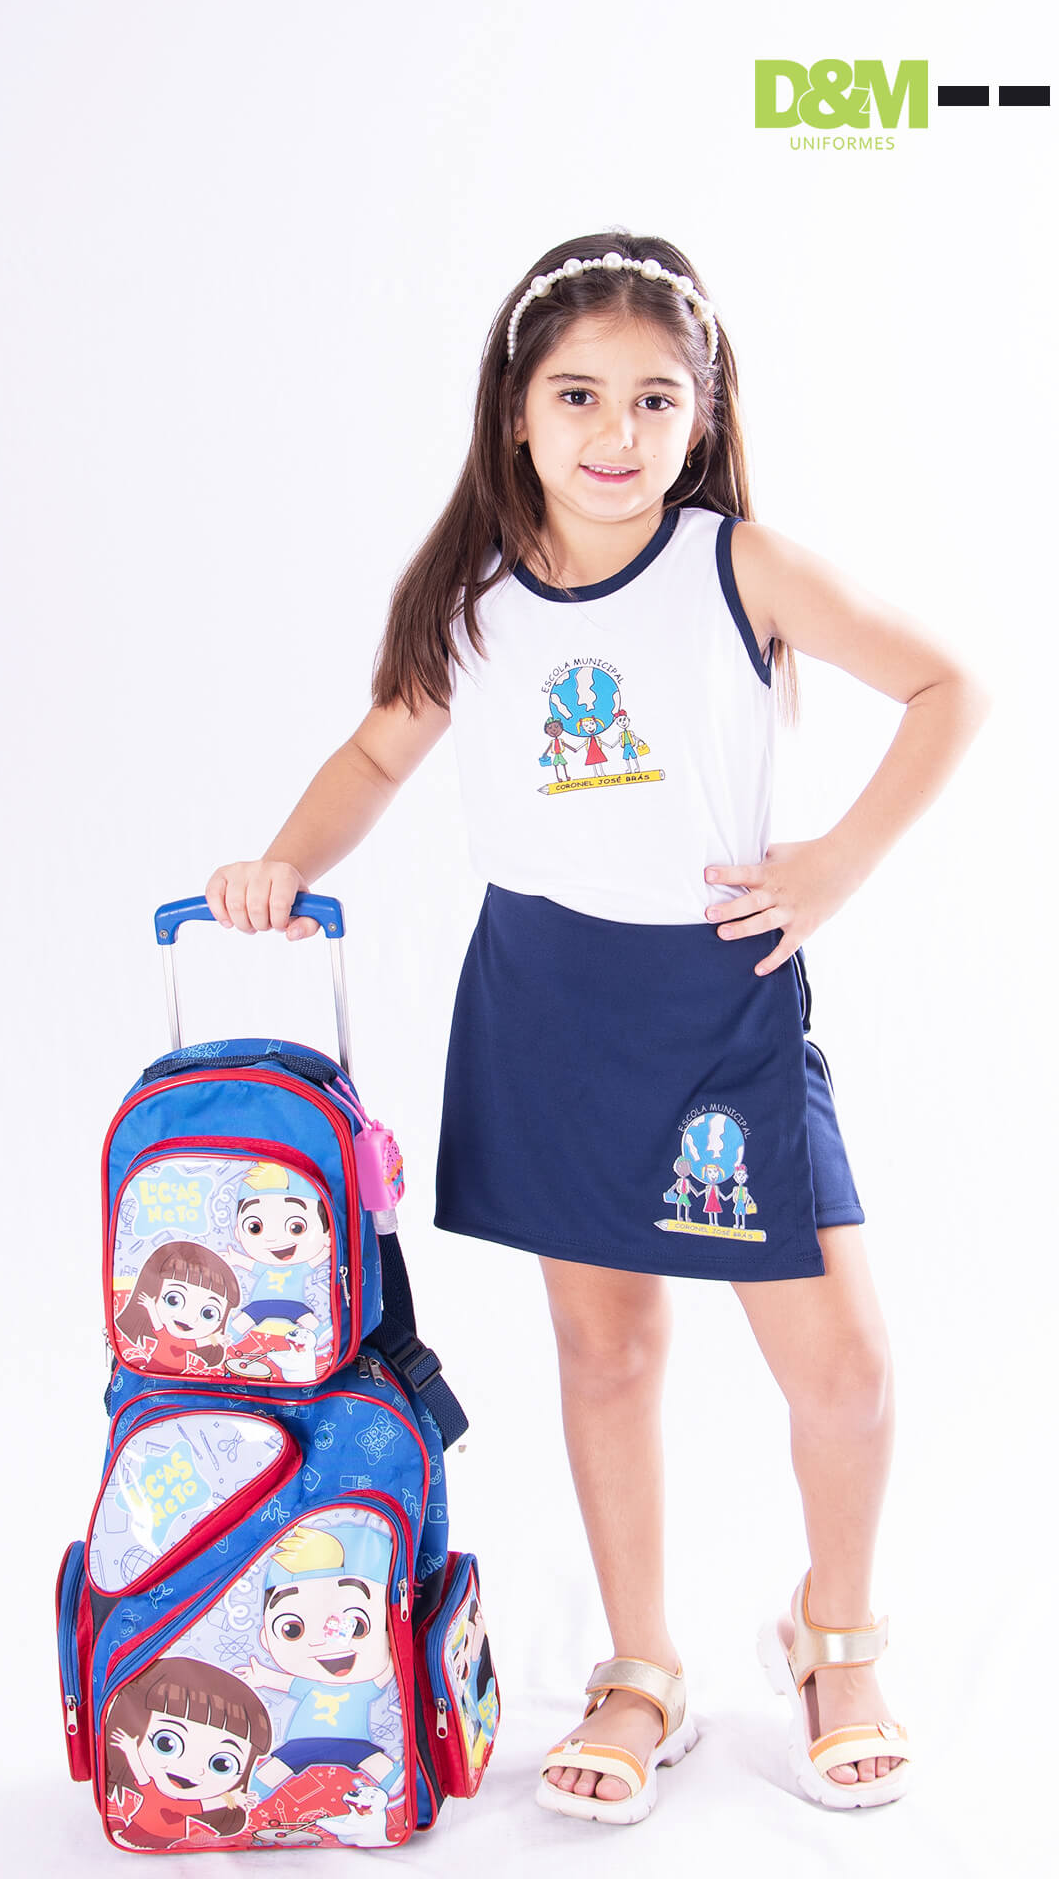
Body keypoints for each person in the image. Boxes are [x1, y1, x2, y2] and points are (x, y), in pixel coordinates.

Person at [205, 230, 990, 1823]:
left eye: (654, 399)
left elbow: (947, 688)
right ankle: (642, 1668)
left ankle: (836, 1637)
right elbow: (376, 756)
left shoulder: (740, 565)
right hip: (547, 1005)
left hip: (719, 1006)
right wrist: (283, 861)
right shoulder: (474, 600)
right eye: (578, 395)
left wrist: (835, 862)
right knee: (608, 1349)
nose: (616, 433)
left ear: (703, 415)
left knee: (841, 1368)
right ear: (516, 411)